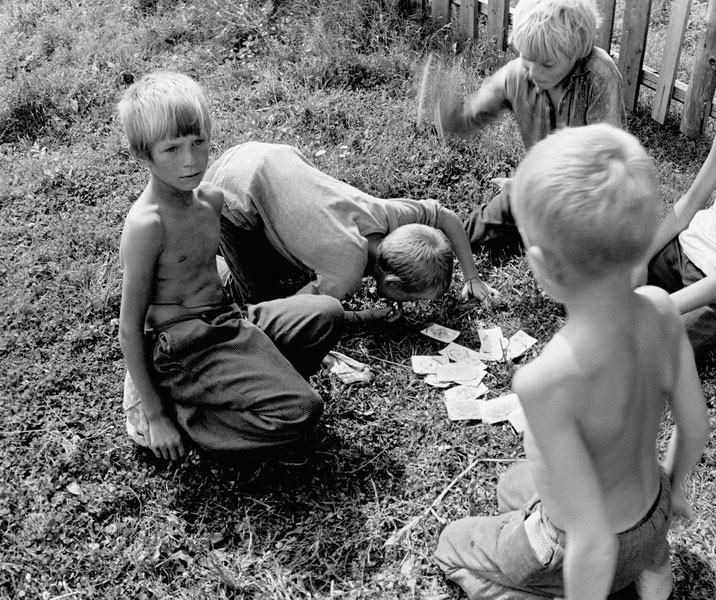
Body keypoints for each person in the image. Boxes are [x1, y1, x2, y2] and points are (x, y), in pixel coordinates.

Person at [434, 124, 708, 599]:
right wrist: (675, 489)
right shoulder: (663, 310)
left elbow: (594, 542)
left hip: (584, 545)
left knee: (452, 546)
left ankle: (549, 590)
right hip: (655, 508)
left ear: (541, 267)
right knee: (512, 483)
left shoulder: (545, 381)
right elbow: (696, 425)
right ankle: (652, 573)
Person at [117, 70, 344, 462]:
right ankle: (192, 422)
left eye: (198, 142)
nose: (191, 160)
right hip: (184, 346)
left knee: (326, 313)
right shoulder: (147, 225)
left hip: (229, 319)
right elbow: (129, 325)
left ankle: (252, 390)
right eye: (172, 149)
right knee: (302, 411)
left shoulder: (210, 200)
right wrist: (153, 415)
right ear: (143, 154)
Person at [205, 141, 497, 311]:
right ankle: (199, 254)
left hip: (264, 154)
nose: (409, 306)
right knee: (255, 302)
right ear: (392, 283)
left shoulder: (387, 215)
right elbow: (289, 313)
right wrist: (363, 317)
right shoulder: (343, 273)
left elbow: (444, 215)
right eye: (410, 300)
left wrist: (472, 276)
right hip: (230, 192)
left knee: (291, 262)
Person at [434, 0, 626, 255]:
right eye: (527, 58)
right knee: (475, 232)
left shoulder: (599, 74)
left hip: (589, 193)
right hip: (539, 185)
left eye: (547, 64)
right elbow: (474, 114)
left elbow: (607, 156)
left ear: (576, 52)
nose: (533, 72)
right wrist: (452, 119)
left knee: (582, 254)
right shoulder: (515, 75)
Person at [645, 134, 716, 359]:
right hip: (682, 248)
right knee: (597, 289)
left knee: (652, 353)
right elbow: (694, 198)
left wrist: (666, 305)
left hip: (710, 290)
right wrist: (640, 259)